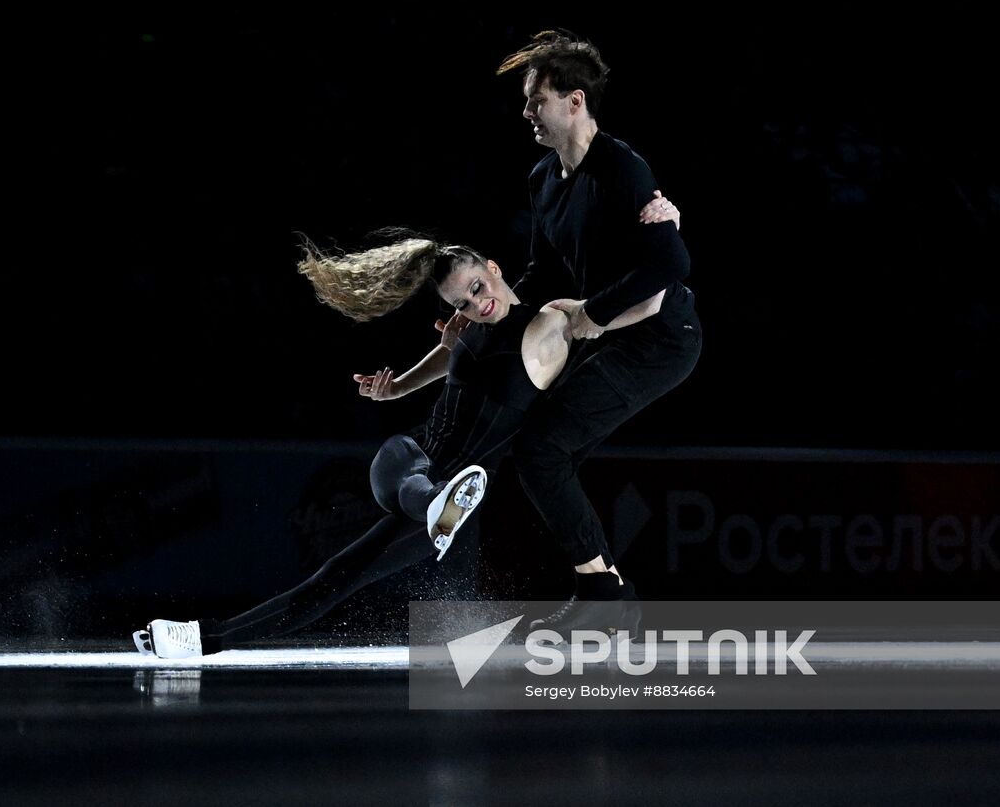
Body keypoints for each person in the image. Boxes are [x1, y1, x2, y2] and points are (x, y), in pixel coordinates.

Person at [133, 210, 677, 658]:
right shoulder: (466, 329)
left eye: (476, 287)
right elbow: (449, 358)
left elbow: (649, 299)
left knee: (338, 574)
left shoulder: (552, 322)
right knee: (400, 461)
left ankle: (201, 637)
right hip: (412, 462)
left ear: (492, 267)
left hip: (450, 487)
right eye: (461, 302)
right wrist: (395, 392)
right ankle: (438, 503)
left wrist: (666, 230)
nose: (475, 303)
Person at [496, 29, 702, 619]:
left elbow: (671, 263)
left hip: (661, 340)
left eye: (537, 99)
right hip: (608, 337)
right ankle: (606, 590)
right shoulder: (542, 180)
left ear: (575, 101)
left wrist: (590, 314)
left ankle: (603, 596)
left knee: (541, 452)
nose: (527, 111)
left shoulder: (623, 168)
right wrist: (486, 311)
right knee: (542, 453)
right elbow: (540, 272)